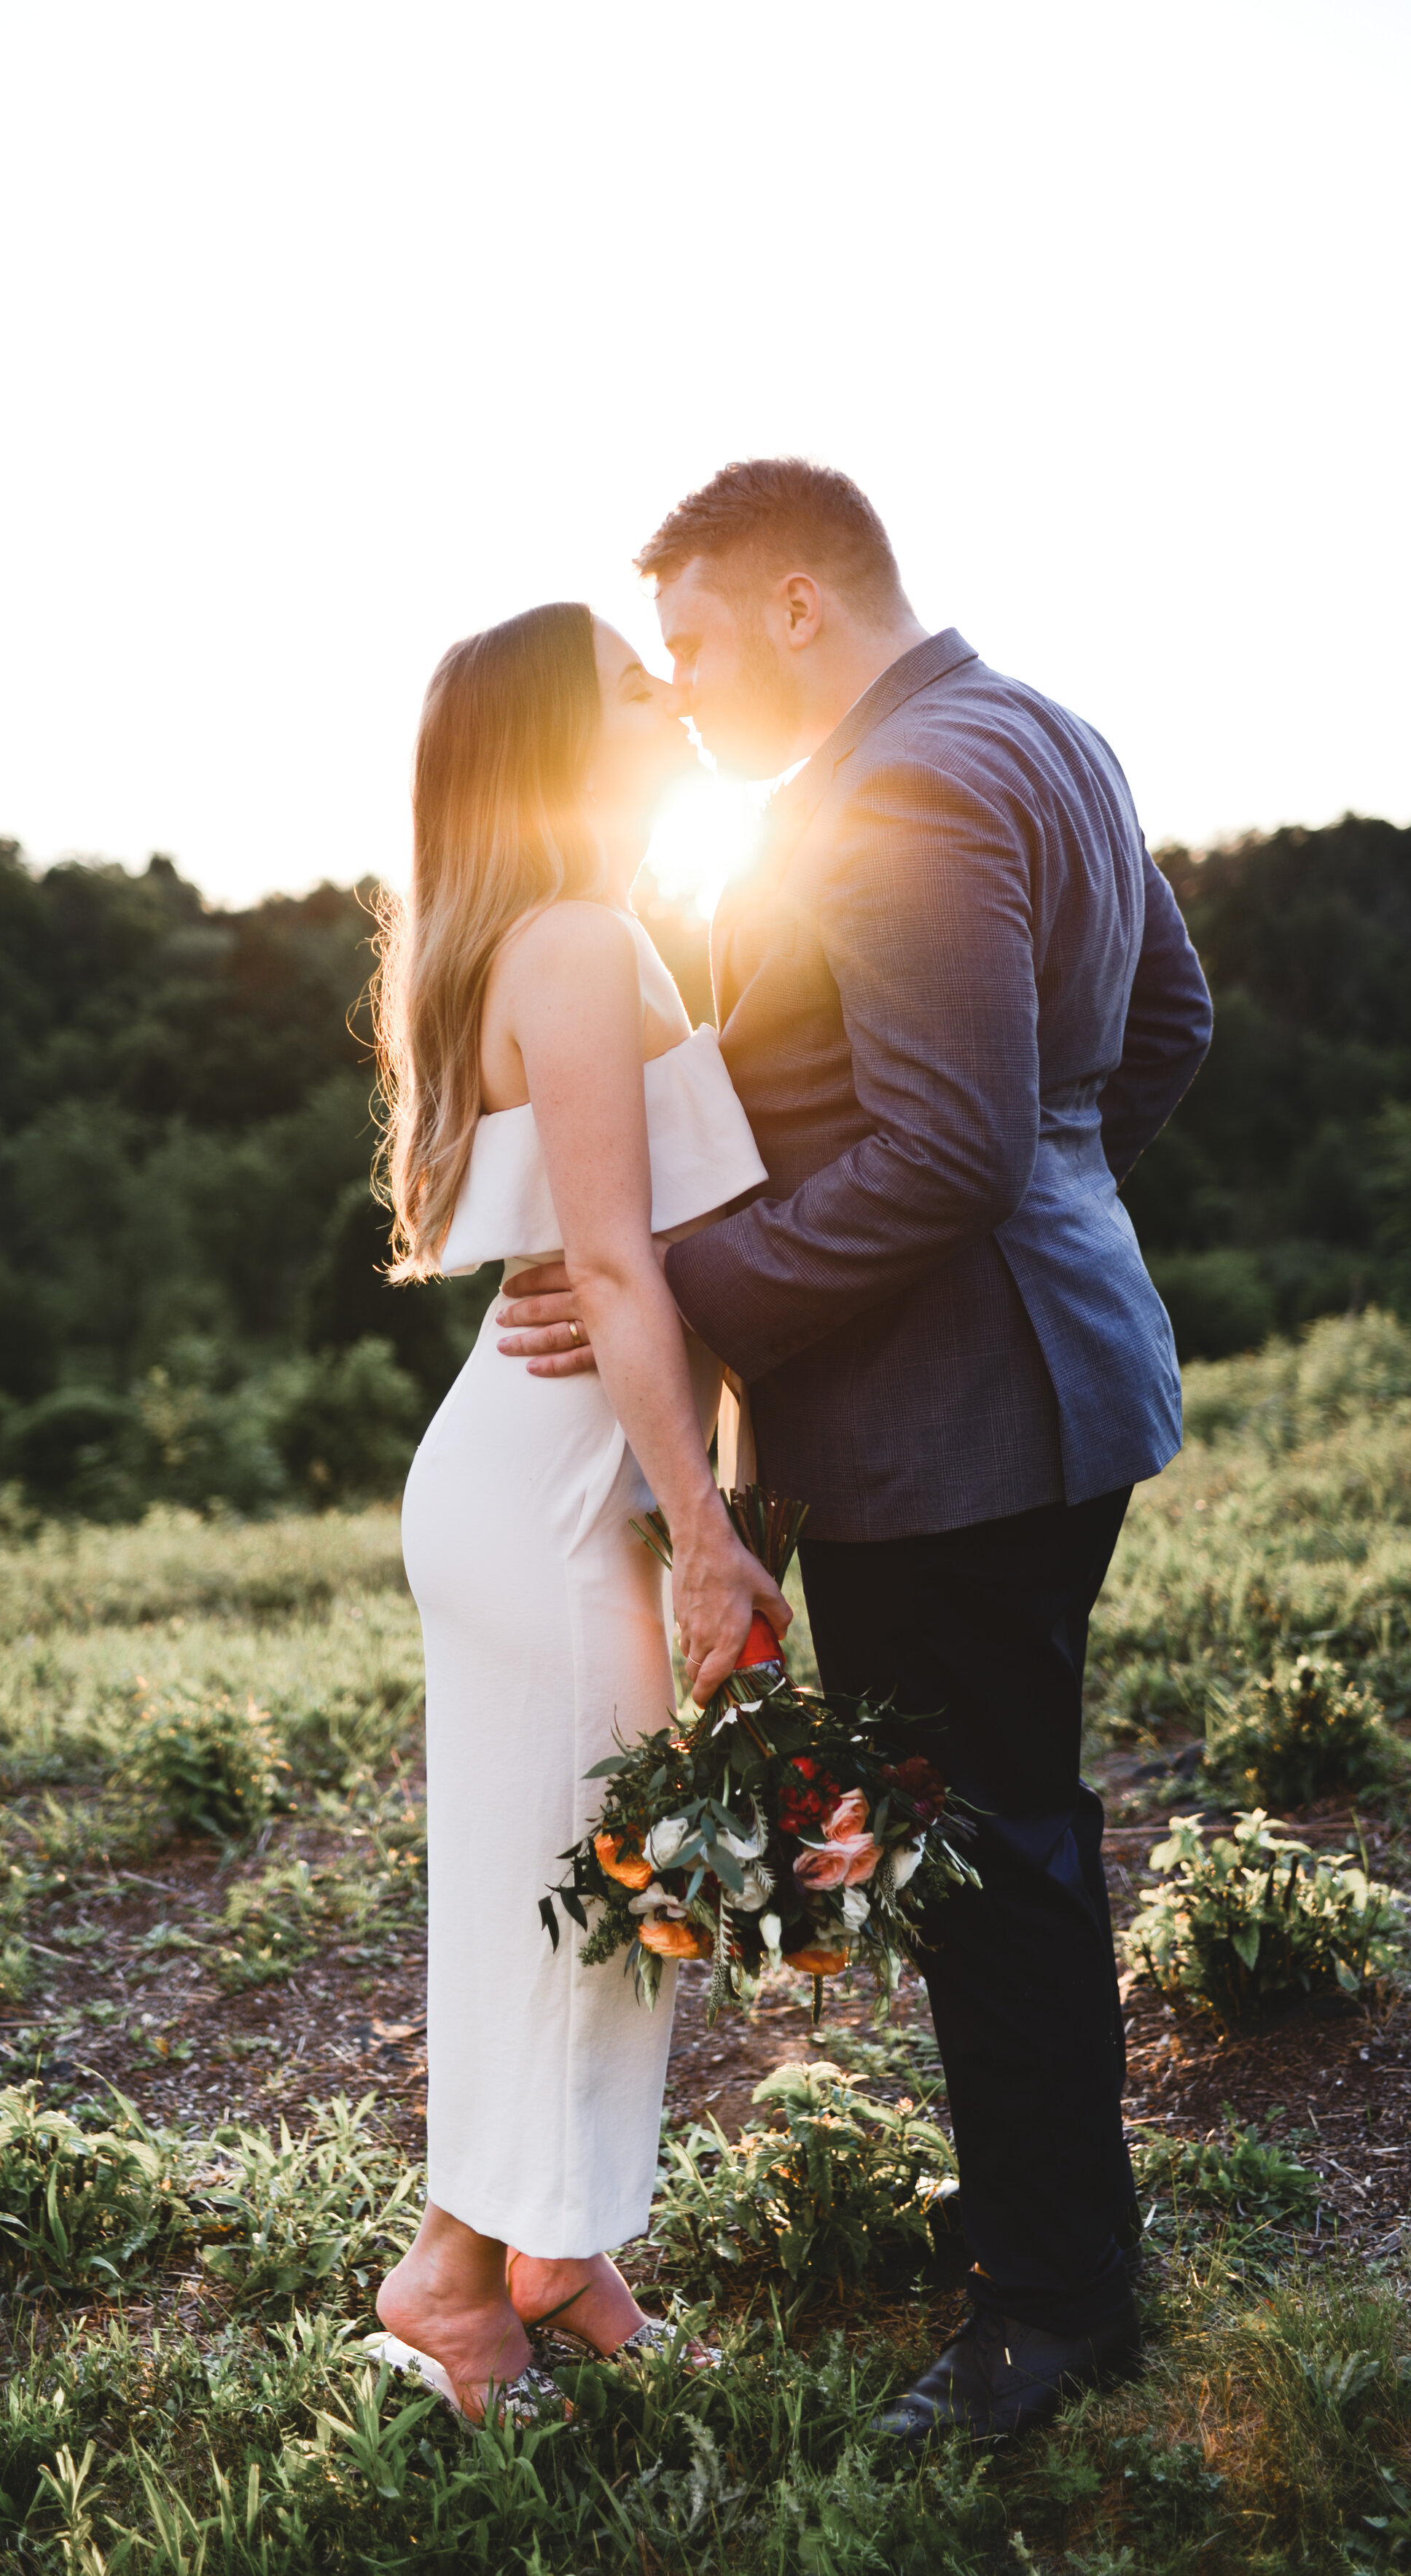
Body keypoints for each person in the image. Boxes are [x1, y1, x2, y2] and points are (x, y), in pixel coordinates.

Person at [496, 458, 1213, 2443]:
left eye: (698, 642)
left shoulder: (894, 790)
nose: (686, 686)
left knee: (986, 1852)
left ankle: (1049, 2306)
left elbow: (950, 1148)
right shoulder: (1048, 735)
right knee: (1004, 1825)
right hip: (1038, 1384)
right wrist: (1053, 1228)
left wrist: (676, 1282)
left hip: (952, 1430)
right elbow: (1164, 1023)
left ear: (800, 602)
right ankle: (1049, 2218)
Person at [368, 600, 789, 2422]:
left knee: (616, 1880)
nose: (668, 694)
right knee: (585, 1888)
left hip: (551, 1468)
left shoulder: (573, 935)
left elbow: (634, 1259)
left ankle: (562, 2247)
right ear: (562, 737)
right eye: (633, 683)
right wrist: (707, 1528)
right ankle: (453, 2280)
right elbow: (617, 1268)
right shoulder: (571, 940)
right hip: (552, 1494)